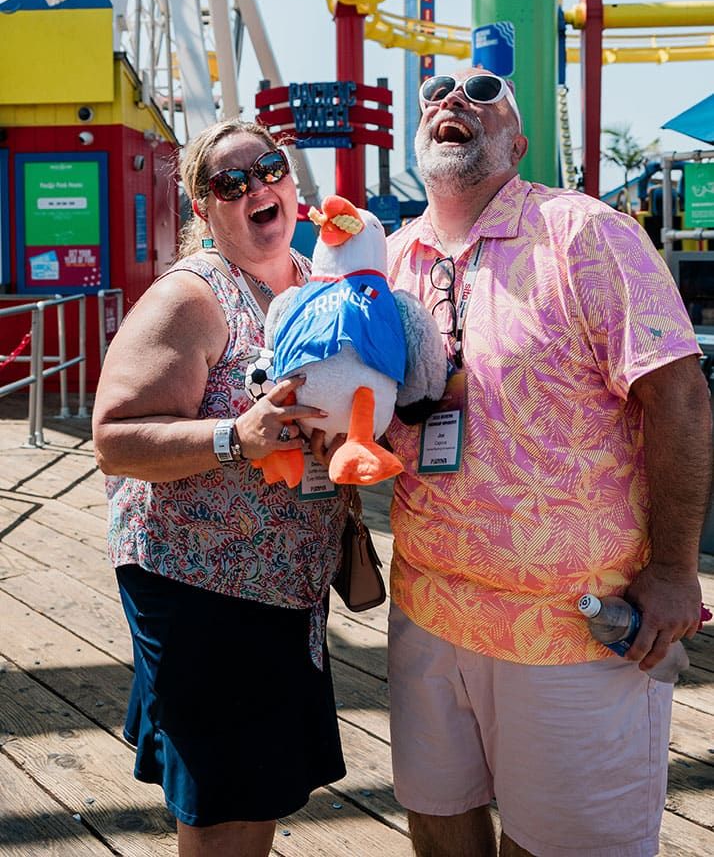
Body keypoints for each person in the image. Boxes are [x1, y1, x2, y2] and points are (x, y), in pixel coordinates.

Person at [385, 67, 712, 857]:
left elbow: (680, 398)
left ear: (518, 144)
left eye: (483, 92)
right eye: (436, 92)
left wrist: (675, 570)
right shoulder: (390, 259)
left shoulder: (585, 233)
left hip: (574, 627)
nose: (452, 100)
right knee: (438, 815)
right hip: (427, 606)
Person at [92, 118, 349, 857]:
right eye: (230, 183)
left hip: (289, 585)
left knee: (260, 790)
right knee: (228, 809)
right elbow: (113, 439)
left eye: (268, 170)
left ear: (289, 181)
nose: (255, 188)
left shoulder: (316, 280)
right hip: (200, 585)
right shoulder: (193, 297)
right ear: (203, 208)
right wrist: (235, 437)